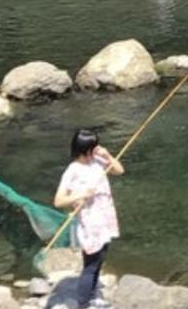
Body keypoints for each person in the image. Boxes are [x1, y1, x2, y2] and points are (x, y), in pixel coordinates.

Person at [53, 129, 124, 309]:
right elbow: (58, 201)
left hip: (105, 217)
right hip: (90, 222)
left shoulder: (98, 161)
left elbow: (119, 170)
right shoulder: (73, 171)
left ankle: (93, 297)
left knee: (101, 259)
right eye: (95, 147)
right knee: (91, 264)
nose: (98, 149)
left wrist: (108, 156)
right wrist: (80, 193)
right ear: (85, 150)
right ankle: (83, 304)